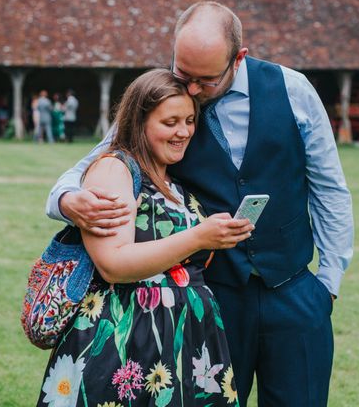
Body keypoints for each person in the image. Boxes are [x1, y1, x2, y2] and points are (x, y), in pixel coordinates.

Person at [47, 1, 354, 406]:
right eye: (182, 73)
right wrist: (68, 200)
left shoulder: (293, 90)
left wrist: (327, 284)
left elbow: (329, 188)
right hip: (213, 300)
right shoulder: (161, 103)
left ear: (237, 58)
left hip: (295, 291)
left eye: (205, 80)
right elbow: (92, 163)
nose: (190, 90)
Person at [37, 69, 252, 406]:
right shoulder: (115, 170)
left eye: (190, 120)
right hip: (128, 339)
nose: (183, 132)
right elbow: (113, 264)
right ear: (139, 122)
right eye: (170, 123)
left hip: (185, 339)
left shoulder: (175, 180)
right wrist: (198, 238)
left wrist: (218, 237)